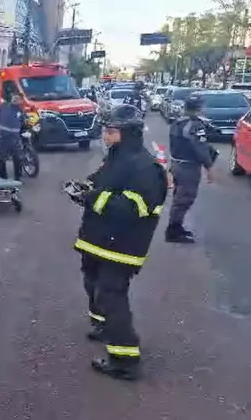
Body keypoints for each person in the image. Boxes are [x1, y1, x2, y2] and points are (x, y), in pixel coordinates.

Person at [72, 104, 168, 380]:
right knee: (92, 283)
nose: (105, 135)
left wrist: (92, 199)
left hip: (122, 247)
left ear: (127, 133)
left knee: (111, 295)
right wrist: (83, 187)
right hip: (98, 240)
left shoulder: (146, 167)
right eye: (105, 130)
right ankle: (103, 326)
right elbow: (102, 182)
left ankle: (125, 359)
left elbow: (135, 207)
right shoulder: (117, 158)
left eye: (111, 131)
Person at [166, 95, 216, 243]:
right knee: (184, 199)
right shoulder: (195, 125)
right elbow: (200, 147)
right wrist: (209, 167)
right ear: (199, 108)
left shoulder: (178, 122)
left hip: (176, 164)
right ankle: (174, 231)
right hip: (188, 167)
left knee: (179, 198)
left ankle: (175, 227)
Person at [0, 93, 25, 181]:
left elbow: (23, 122)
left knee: (18, 158)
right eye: (14, 98)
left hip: (14, 139)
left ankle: (17, 178)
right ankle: (3, 179)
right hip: (3, 137)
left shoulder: (20, 111)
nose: (15, 100)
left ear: (21, 101)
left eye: (18, 99)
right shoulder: (3, 106)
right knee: (2, 159)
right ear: (11, 98)